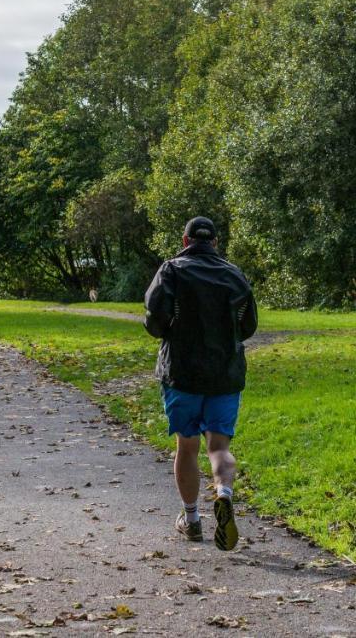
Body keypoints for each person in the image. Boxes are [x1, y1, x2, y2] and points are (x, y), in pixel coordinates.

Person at [143, 216, 257, 550]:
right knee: (219, 447)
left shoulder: (171, 270)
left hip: (182, 373)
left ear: (185, 240)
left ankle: (191, 520)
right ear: (216, 243)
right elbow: (248, 326)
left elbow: (154, 320)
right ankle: (223, 493)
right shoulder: (235, 275)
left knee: (187, 446)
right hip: (224, 374)